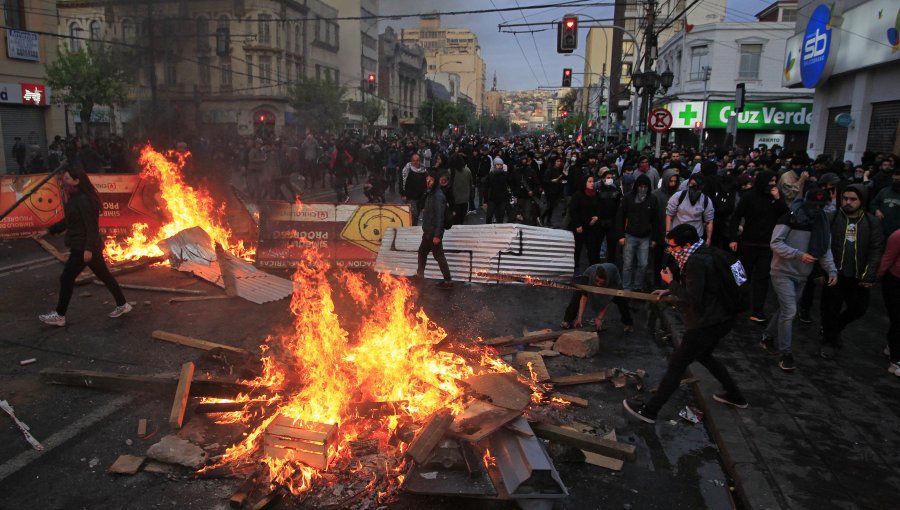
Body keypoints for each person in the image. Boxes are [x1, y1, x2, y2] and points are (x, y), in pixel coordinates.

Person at [622, 224, 747, 424]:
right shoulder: (708, 251)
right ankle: (735, 395)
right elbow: (705, 286)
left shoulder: (695, 263)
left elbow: (693, 299)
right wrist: (670, 291)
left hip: (705, 323)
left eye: (673, 247)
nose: (671, 251)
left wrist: (670, 282)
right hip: (725, 319)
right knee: (705, 356)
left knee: (676, 366)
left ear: (686, 244)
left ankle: (650, 411)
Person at [34, 166, 131, 326]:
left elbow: (91, 227)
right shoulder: (75, 198)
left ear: (76, 181)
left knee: (66, 278)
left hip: (83, 247)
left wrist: (88, 249)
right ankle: (123, 304)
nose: (63, 182)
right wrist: (48, 231)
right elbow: (68, 221)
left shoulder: (83, 200)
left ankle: (60, 315)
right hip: (85, 246)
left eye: (66, 179)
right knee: (104, 276)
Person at [761, 188, 838, 371]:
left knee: (786, 310)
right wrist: (798, 255)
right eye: (815, 205)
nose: (817, 209)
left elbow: (824, 248)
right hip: (782, 271)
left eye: (821, 205)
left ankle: (767, 337)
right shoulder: (790, 218)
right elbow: (775, 242)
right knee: (789, 311)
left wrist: (831, 270)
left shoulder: (822, 222)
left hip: (803, 274)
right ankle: (785, 353)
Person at [819, 185, 883, 358]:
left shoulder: (870, 222)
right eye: (845, 198)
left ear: (861, 201)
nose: (848, 202)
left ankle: (834, 328)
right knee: (830, 308)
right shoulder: (831, 218)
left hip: (859, 275)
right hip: (835, 273)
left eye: (853, 199)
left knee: (858, 308)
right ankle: (829, 341)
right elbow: (821, 245)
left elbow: (876, 249)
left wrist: (869, 274)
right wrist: (820, 272)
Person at [727, 170, 789, 323]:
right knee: (741, 276)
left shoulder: (775, 198)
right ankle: (736, 304)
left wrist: (778, 199)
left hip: (767, 245)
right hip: (748, 243)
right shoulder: (749, 196)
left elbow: (787, 216)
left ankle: (757, 310)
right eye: (770, 181)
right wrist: (733, 238)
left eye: (775, 181)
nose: (773, 185)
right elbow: (736, 217)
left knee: (762, 279)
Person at [560, 263, 634, 333]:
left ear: (606, 281)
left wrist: (599, 318)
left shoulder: (612, 278)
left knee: (621, 299)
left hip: (613, 280)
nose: (598, 284)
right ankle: (568, 319)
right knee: (577, 293)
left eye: (601, 283)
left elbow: (607, 300)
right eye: (597, 281)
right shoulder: (588, 275)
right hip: (590, 278)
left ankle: (628, 323)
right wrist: (579, 318)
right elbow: (584, 297)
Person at [617, 174, 659, 292]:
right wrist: (620, 235)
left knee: (643, 264)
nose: (642, 188)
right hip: (630, 235)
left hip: (645, 237)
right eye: (640, 186)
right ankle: (626, 287)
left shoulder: (652, 199)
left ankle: (637, 286)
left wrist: (654, 238)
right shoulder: (628, 198)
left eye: (645, 186)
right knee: (628, 264)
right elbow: (620, 216)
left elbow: (655, 220)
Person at [416, 170, 452, 289]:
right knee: (422, 253)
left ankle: (448, 281)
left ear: (435, 181)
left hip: (433, 233)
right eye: (427, 180)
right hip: (427, 232)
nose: (428, 182)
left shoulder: (438, 196)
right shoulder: (430, 193)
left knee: (439, 256)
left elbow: (440, 218)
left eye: (430, 180)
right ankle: (420, 275)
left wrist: (438, 235)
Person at [666, 173, 714, 242]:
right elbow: (669, 215)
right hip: (678, 235)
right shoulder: (678, 196)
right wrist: (668, 232)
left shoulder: (706, 201)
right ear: (688, 184)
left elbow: (709, 221)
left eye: (698, 185)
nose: (694, 187)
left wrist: (708, 239)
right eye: (692, 184)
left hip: (696, 237)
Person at [569, 174, 602, 270]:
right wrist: (578, 225)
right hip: (580, 227)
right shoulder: (578, 195)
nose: (592, 184)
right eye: (589, 181)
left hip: (592, 226)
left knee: (592, 248)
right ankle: (575, 268)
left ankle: (593, 269)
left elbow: (599, 208)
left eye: (593, 181)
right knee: (577, 249)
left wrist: (597, 217)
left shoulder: (595, 194)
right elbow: (573, 210)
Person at [879, 229, 900, 376]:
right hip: (895, 282)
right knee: (898, 320)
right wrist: (872, 278)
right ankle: (896, 360)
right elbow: (887, 258)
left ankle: (892, 346)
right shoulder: (897, 236)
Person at [400, 153, 427, 226]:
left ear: (420, 161)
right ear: (411, 161)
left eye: (417, 160)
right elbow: (402, 182)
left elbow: (426, 183)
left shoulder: (423, 170)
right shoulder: (407, 169)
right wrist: (403, 194)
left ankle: (413, 228)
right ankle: (411, 229)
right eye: (414, 160)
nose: (415, 162)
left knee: (417, 215)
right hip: (410, 197)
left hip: (420, 197)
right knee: (413, 215)